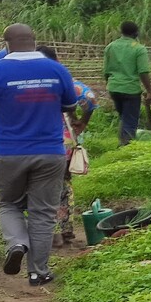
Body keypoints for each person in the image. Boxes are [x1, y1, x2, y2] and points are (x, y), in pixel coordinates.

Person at [0, 24, 81, 286]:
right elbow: (69, 106)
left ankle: (18, 243)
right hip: (50, 152)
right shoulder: (56, 69)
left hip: (10, 152)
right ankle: (38, 272)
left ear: (6, 44)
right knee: (42, 212)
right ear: (34, 41)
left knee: (8, 204)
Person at [38, 45, 97, 246]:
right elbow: (89, 99)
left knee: (41, 185)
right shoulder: (66, 81)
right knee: (64, 184)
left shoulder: (33, 81)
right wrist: (82, 122)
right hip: (64, 141)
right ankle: (66, 230)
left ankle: (51, 233)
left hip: (38, 141)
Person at [102, 19, 151, 145]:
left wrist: (110, 85)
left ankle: (123, 142)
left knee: (124, 118)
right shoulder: (139, 49)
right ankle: (125, 148)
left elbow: (106, 71)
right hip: (130, 89)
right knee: (130, 121)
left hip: (114, 88)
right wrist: (149, 90)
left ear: (122, 32)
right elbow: (143, 72)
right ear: (136, 33)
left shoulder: (111, 46)